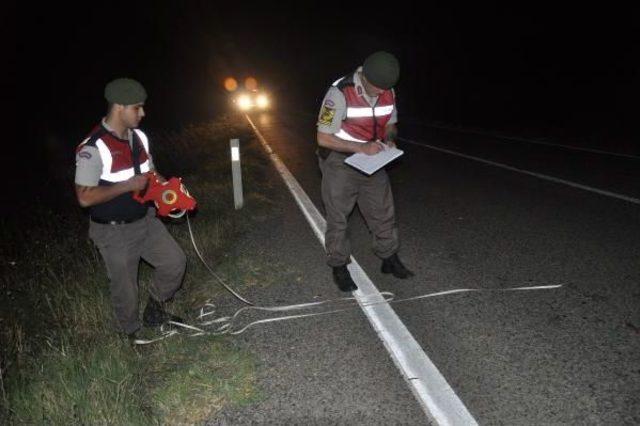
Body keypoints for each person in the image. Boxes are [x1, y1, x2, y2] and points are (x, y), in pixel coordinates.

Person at [74, 77, 186, 339]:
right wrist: (126, 186)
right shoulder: (93, 147)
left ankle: (155, 311)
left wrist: (171, 194)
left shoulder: (140, 138)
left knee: (174, 262)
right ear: (119, 107)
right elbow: (84, 197)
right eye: (138, 107)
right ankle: (132, 333)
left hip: (145, 220)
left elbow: (152, 175)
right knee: (125, 288)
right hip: (114, 232)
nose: (143, 113)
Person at [316, 51, 414, 292]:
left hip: (372, 158)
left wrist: (389, 140)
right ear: (364, 76)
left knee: (383, 211)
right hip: (340, 159)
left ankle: (388, 258)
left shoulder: (388, 90)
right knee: (338, 216)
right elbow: (323, 138)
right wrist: (360, 147)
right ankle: (339, 265)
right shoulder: (339, 93)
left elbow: (390, 123)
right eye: (377, 88)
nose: (382, 93)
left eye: (386, 89)